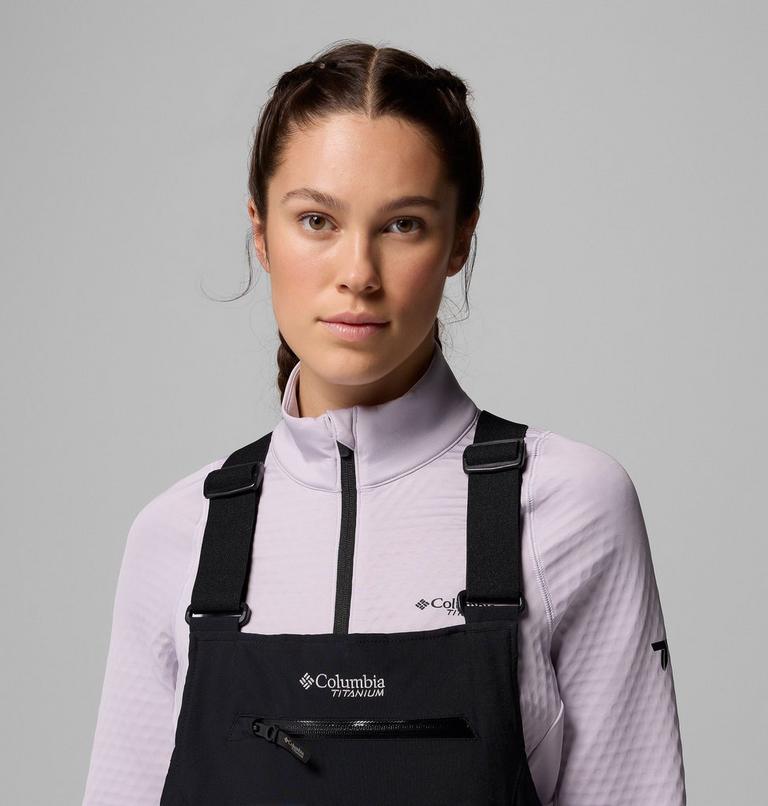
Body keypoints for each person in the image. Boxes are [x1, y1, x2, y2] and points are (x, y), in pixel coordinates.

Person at [81, 41, 687, 805]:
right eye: (316, 220)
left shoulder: (570, 507)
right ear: (260, 233)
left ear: (459, 239)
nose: (358, 273)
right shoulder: (178, 536)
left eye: (403, 225)